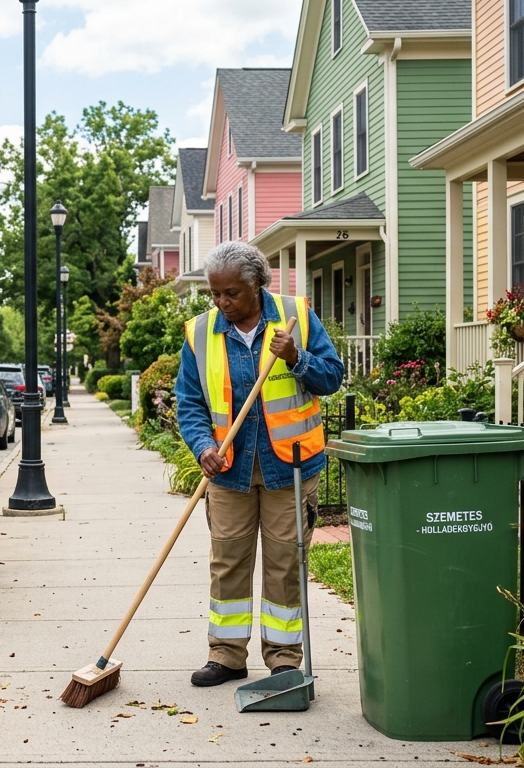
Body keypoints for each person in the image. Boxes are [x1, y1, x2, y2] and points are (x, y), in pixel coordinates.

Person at [175, 242, 344, 687]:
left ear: (256, 286)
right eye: (215, 293)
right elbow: (189, 403)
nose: (221, 302)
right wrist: (201, 446)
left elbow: (332, 376)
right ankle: (226, 655)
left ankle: (284, 658)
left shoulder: (298, 317)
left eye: (230, 293)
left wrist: (296, 358)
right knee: (228, 561)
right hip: (228, 469)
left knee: (285, 564)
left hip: (289, 467)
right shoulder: (200, 332)